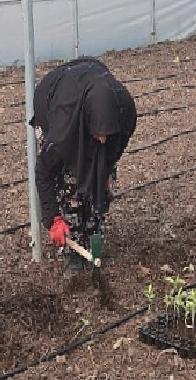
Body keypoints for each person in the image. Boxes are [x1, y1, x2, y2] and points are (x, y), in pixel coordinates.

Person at [30, 57, 137, 277]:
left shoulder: (124, 112)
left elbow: (113, 147)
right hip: (56, 101)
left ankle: (93, 235)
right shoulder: (61, 134)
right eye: (100, 133)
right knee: (70, 184)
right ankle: (73, 249)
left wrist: (104, 173)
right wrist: (53, 219)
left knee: (101, 186)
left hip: (90, 86)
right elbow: (43, 172)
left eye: (108, 133)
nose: (104, 140)